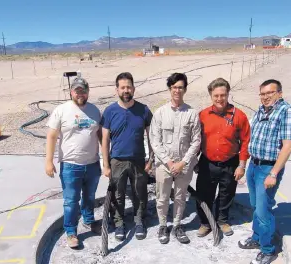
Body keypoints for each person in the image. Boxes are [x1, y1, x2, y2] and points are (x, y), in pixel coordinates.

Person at [238, 79, 291, 264]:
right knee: (256, 206)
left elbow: (287, 146)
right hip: (254, 165)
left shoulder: (286, 111)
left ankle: (268, 249)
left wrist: (274, 173)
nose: (265, 97)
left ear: (279, 93)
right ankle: (257, 238)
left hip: (268, 168)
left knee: (264, 210)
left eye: (269, 93)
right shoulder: (261, 111)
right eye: (262, 94)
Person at [45, 77, 102, 249]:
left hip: (92, 164)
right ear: (71, 92)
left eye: (83, 90)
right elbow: (52, 136)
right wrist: (49, 161)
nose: (80, 94)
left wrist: (106, 158)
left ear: (88, 91)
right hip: (70, 165)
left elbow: (100, 135)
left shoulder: (94, 111)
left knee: (89, 197)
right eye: (77, 90)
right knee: (71, 201)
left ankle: (89, 220)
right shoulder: (61, 110)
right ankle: (71, 232)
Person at [100, 72, 154, 241]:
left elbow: (152, 136)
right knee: (117, 195)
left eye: (128, 87)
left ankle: (139, 222)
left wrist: (151, 159)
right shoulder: (110, 111)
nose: (126, 90)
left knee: (140, 193)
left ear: (134, 89)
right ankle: (118, 224)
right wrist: (106, 165)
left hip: (138, 160)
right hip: (117, 161)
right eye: (122, 87)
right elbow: (105, 139)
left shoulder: (143, 110)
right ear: (117, 90)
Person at [149, 73, 201, 244]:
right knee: (162, 197)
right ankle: (163, 225)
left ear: (185, 89)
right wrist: (170, 162)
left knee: (180, 197)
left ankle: (178, 225)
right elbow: (155, 141)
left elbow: (196, 141)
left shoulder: (192, 114)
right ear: (169, 89)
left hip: (184, 165)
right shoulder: (160, 113)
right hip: (164, 165)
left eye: (180, 87)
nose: (177, 90)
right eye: (174, 87)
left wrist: (183, 162)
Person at [196, 77, 251, 237]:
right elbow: (197, 139)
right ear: (211, 96)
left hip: (230, 163)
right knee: (204, 194)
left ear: (228, 94)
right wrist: (195, 161)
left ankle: (222, 221)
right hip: (207, 162)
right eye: (216, 96)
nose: (220, 99)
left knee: (227, 194)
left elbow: (245, 141)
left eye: (223, 95)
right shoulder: (203, 115)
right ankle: (205, 223)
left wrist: (241, 166)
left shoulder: (239, 116)